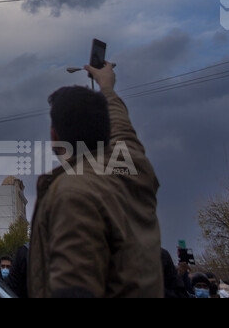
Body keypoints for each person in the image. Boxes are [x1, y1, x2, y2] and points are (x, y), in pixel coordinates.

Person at [29, 61, 162, 297]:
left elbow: (75, 289)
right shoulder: (132, 165)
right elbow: (122, 128)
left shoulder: (73, 194)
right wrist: (106, 86)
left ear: (54, 135)